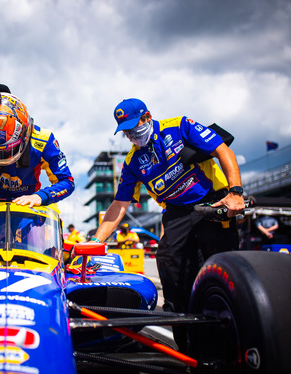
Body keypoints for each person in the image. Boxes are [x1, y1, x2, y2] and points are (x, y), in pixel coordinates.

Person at [92, 98, 245, 351]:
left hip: (212, 203)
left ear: (147, 117)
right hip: (176, 213)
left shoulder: (180, 126)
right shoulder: (132, 163)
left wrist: (236, 192)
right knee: (169, 265)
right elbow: (119, 205)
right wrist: (95, 242)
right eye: (125, 131)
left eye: (134, 127)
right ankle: (189, 350)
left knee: (223, 268)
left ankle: (240, 335)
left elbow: (222, 151)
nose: (131, 135)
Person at [0, 84, 75, 211]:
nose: (3, 157)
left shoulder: (43, 139)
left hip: (30, 206)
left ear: (24, 133)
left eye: (7, 150)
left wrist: (41, 197)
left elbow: (67, 182)